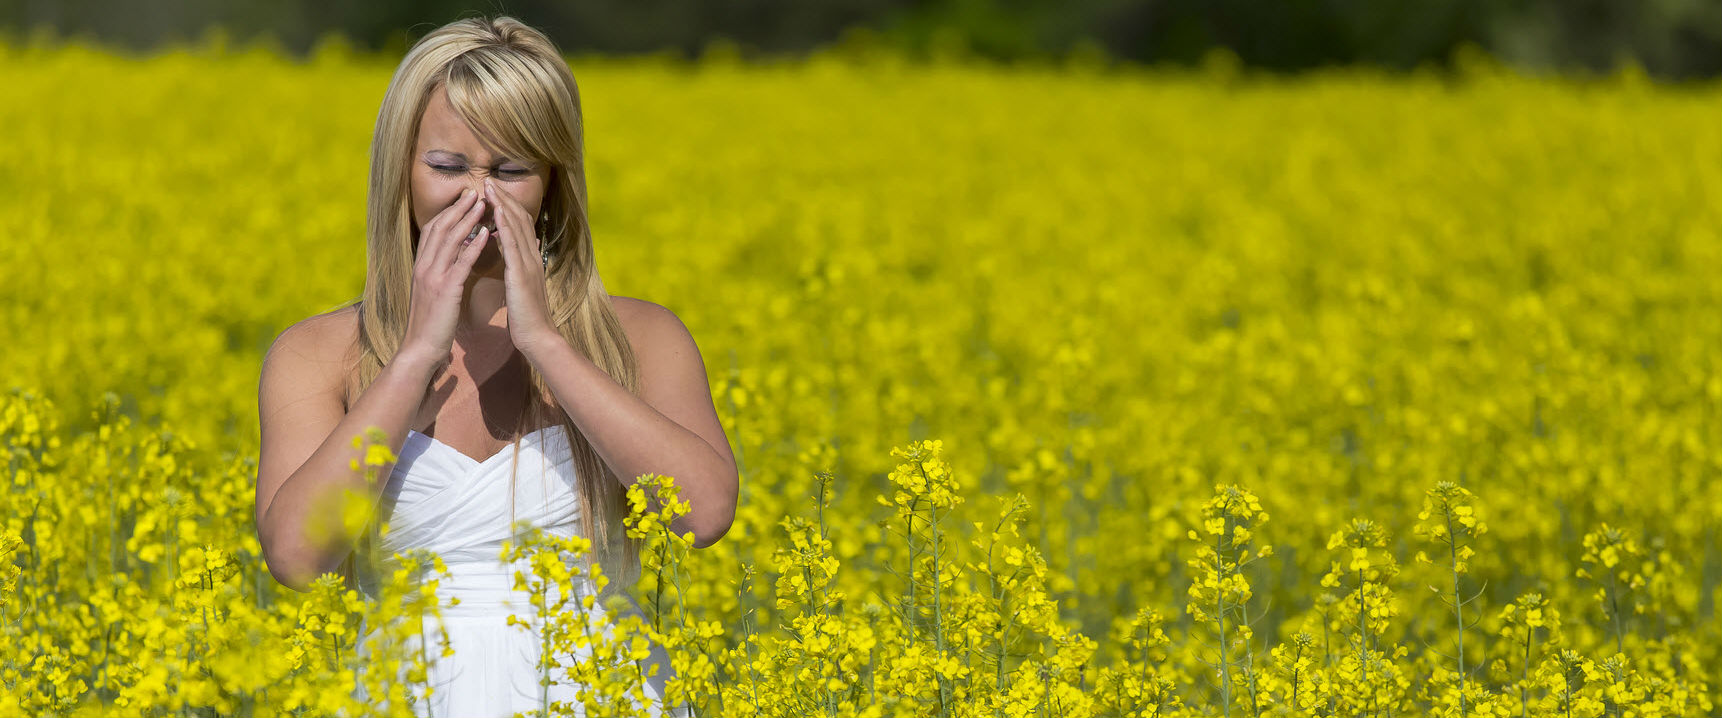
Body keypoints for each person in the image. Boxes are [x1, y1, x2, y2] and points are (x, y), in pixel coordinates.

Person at [253, 14, 737, 717]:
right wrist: (413, 358)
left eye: (511, 172)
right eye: (448, 167)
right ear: (401, 169)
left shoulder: (638, 337)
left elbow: (703, 512)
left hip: (604, 693)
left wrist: (548, 343)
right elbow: (299, 556)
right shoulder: (319, 355)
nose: (478, 196)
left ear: (554, 183)